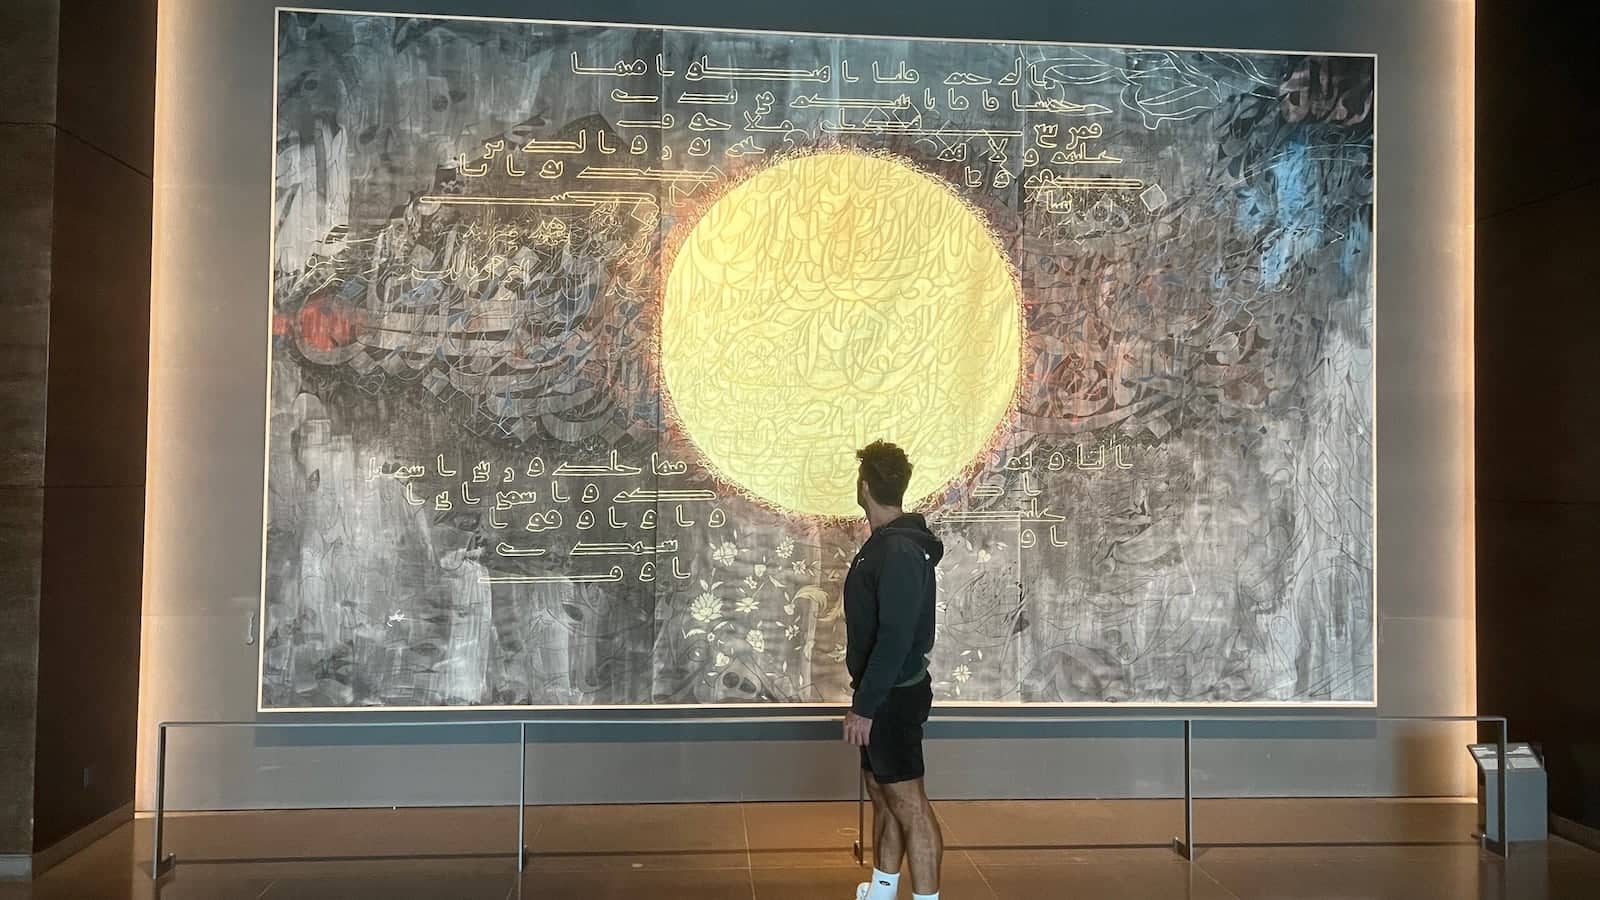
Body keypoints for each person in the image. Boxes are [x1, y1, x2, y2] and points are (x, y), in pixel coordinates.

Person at [843, 440, 945, 900]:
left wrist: (864, 707)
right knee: (884, 794)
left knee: (908, 803)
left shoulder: (900, 550)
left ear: (864, 487)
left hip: (892, 698)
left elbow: (896, 637)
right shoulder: (888, 545)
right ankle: (882, 891)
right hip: (879, 693)